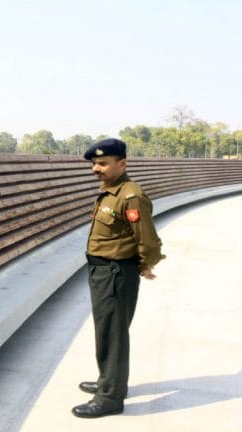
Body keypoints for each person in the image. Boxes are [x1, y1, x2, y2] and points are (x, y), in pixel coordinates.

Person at [72, 138, 165, 418]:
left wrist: (147, 264)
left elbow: (147, 238)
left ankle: (110, 398)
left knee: (113, 334)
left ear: (122, 163)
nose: (95, 169)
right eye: (94, 164)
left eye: (102, 163)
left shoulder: (130, 195)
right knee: (106, 330)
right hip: (102, 271)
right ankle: (108, 382)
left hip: (115, 272)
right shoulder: (110, 191)